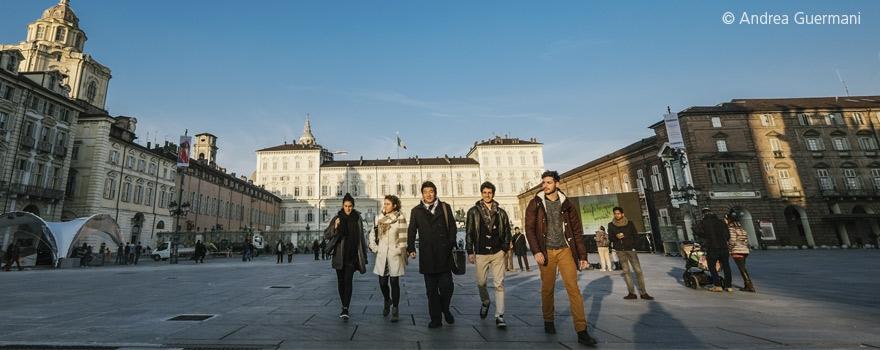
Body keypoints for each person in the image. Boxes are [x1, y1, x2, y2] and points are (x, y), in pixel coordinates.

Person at [524, 171, 597, 346]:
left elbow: (576, 232)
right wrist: (536, 251)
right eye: (543, 183)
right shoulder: (535, 203)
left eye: (549, 182)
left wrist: (582, 256)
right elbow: (529, 229)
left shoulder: (567, 204)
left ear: (556, 183)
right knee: (548, 288)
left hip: (565, 251)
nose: (545, 186)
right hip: (546, 251)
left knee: (574, 289)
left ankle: (582, 331)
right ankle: (548, 320)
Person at [407, 181, 457, 329]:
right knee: (431, 291)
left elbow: (453, 227)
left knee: (447, 287)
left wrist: (450, 243)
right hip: (427, 254)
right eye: (426, 192)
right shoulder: (416, 211)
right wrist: (411, 247)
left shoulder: (445, 207)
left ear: (435, 192)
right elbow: (411, 230)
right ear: (422, 194)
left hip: (444, 253)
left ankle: (445, 308)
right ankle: (436, 319)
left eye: (431, 191)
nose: (429, 194)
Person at [465, 181, 512, 328]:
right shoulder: (473, 211)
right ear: (481, 193)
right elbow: (469, 232)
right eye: (485, 192)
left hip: (497, 252)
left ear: (493, 194)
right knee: (481, 282)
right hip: (481, 252)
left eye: (490, 192)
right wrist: (470, 251)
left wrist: (504, 249)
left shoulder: (501, 212)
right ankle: (485, 301)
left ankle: (500, 315)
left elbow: (506, 231)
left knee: (499, 284)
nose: (487, 195)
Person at [324, 193, 368, 321]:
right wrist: (335, 226)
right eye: (346, 206)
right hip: (339, 255)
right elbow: (326, 235)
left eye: (350, 206)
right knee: (341, 282)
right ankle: (343, 304)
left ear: (353, 206)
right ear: (342, 206)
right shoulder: (337, 217)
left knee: (348, 281)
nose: (348, 208)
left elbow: (361, 238)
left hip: (352, 256)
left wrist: (363, 256)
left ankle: (345, 308)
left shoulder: (357, 218)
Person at [368, 195, 409, 323]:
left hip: (394, 254)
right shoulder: (379, 218)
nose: (385, 206)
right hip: (381, 254)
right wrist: (375, 248)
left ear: (394, 206)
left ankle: (395, 309)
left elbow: (403, 237)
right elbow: (372, 234)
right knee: (382, 282)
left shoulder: (400, 218)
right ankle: (387, 299)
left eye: (388, 204)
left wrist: (399, 250)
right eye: (384, 203)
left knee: (394, 282)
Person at [608, 207, 653, 300]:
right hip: (620, 251)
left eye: (618, 213)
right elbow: (611, 238)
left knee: (638, 271)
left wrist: (634, 246)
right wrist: (616, 237)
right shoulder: (611, 225)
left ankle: (643, 293)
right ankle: (631, 293)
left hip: (631, 250)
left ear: (622, 214)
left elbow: (635, 235)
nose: (617, 215)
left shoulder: (630, 223)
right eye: (615, 213)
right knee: (626, 272)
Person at [697, 208, 733, 292]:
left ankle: (717, 285)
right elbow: (728, 236)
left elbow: (698, 232)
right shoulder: (721, 222)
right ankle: (729, 286)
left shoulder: (703, 223)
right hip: (724, 247)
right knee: (726, 266)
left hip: (712, 248)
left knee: (712, 266)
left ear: (703, 214)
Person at [726, 212, 756, 292]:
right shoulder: (742, 229)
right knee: (743, 267)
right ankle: (747, 285)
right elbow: (746, 240)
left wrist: (729, 249)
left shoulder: (731, 229)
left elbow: (732, 241)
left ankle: (749, 285)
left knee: (742, 269)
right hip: (745, 250)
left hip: (737, 250)